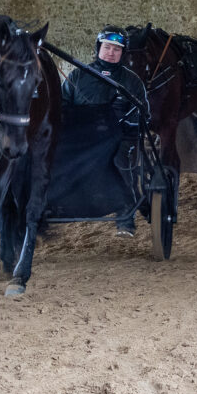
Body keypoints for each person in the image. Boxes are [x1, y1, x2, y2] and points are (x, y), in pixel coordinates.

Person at [62, 25, 147, 237]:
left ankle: (126, 219)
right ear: (99, 47)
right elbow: (62, 105)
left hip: (119, 139)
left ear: (123, 54)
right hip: (81, 139)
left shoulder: (132, 81)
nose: (111, 52)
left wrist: (129, 127)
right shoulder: (78, 76)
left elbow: (142, 111)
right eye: (107, 47)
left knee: (120, 162)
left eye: (117, 49)